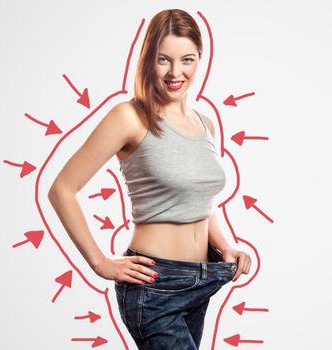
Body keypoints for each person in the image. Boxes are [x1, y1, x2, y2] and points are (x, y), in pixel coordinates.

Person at [48, 8, 251, 350]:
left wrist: (225, 245)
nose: (176, 72)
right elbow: (62, 190)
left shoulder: (205, 123)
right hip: (154, 285)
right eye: (163, 59)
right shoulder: (129, 117)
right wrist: (99, 262)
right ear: (147, 60)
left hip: (201, 279)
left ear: (200, 59)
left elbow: (197, 201)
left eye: (187, 60)